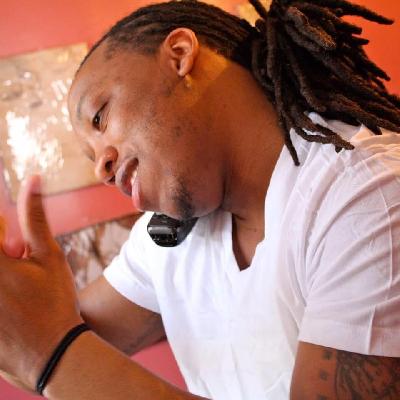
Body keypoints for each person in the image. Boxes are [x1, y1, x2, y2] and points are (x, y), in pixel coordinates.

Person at [0, 0, 400, 398]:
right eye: (91, 157)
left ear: (179, 54)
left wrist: (52, 352)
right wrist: (26, 313)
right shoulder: (170, 236)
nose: (101, 169)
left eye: (99, 118)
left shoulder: (370, 195)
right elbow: (37, 345)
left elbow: (52, 351)